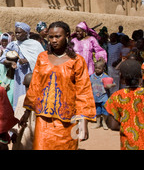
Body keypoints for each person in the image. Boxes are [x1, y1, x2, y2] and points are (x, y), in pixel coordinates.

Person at [19, 21, 96, 150]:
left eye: (58, 36)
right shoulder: (42, 58)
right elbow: (35, 86)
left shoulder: (77, 61)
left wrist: (83, 121)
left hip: (67, 121)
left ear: (66, 35)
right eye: (51, 37)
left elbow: (83, 91)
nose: (54, 40)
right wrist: (27, 113)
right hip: (43, 120)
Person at [105, 59, 144, 150]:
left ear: (122, 78)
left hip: (128, 145)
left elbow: (113, 125)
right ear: (140, 76)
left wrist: (128, 126)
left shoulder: (117, 97)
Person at [2, 22, 45, 109]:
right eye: (16, 32)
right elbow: (2, 58)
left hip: (32, 73)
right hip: (19, 75)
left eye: (19, 32)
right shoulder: (13, 44)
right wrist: (11, 62)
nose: (17, 35)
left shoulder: (35, 44)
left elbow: (43, 59)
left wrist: (28, 60)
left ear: (26, 33)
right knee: (19, 96)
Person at [11, 72, 35, 150]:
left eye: (29, 86)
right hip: (24, 135)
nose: (28, 90)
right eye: (26, 87)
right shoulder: (22, 99)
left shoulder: (42, 101)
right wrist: (14, 133)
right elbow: (17, 118)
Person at [90, 59, 115, 130]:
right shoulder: (92, 77)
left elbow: (109, 85)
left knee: (105, 111)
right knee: (97, 111)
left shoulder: (106, 77)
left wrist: (112, 85)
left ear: (103, 68)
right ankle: (98, 123)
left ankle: (104, 122)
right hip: (95, 97)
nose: (97, 70)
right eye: (96, 68)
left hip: (104, 96)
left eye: (99, 68)